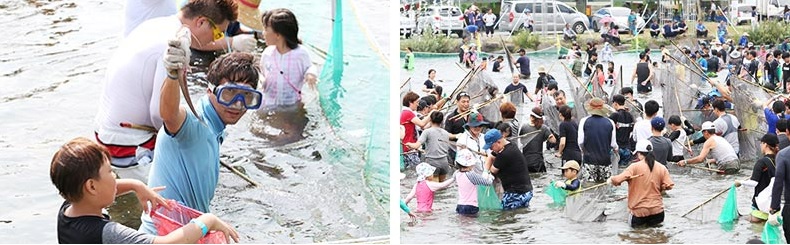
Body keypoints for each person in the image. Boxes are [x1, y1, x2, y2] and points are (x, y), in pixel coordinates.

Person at [94, 0, 238, 184]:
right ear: (201, 22)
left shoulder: (156, 23)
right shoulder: (174, 44)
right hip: (128, 146)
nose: (214, 40)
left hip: (104, 134)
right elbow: (160, 115)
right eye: (217, 32)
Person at [139, 44, 262, 233]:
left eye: (247, 96)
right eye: (229, 93)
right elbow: (169, 114)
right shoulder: (194, 122)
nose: (238, 104)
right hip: (163, 236)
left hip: (186, 232)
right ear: (210, 90)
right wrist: (172, 75)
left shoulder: (216, 128)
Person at [50, 138, 239, 244]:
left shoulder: (67, 209)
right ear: (91, 186)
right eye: (110, 172)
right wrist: (207, 221)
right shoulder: (109, 233)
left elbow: (98, 192)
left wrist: (135, 185)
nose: (115, 178)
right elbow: (168, 244)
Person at [608, 139, 674, 228]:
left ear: (639, 153)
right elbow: (669, 185)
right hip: (657, 211)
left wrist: (611, 179)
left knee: (636, 238)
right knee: (656, 238)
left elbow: (617, 180)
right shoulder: (661, 167)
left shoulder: (634, 167)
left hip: (639, 212)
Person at [484, 129, 534, 210]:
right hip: (527, 191)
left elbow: (493, 171)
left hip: (515, 194)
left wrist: (487, 172)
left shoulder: (504, 155)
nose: (491, 149)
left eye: (491, 147)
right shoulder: (511, 145)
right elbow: (491, 156)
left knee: (506, 218)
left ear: (498, 142)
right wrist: (485, 171)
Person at [739, 134, 779, 222]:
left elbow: (754, 183)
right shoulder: (778, 160)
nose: (760, 146)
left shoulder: (761, 162)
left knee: (755, 232)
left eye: (761, 143)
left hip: (760, 204)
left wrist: (740, 182)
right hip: (773, 204)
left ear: (765, 144)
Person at [579, 97, 618, 183]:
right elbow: (613, 144)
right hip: (605, 160)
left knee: (590, 186)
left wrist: (585, 151)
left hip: (589, 160)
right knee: (605, 185)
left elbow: (580, 142)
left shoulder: (584, 121)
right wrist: (616, 149)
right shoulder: (610, 122)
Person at [405, 111, 452, 181]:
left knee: (434, 187)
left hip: (432, 162)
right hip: (444, 162)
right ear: (442, 121)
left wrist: (409, 144)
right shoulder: (446, 133)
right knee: (442, 187)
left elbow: (416, 146)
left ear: (430, 120)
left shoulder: (427, 132)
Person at [453, 149, 494, 215]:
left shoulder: (456, 173)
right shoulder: (471, 175)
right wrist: (491, 177)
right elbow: (487, 183)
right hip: (471, 206)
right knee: (472, 223)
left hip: (460, 205)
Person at [519, 107, 557, 172]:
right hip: (538, 161)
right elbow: (553, 140)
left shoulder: (524, 127)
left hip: (526, 161)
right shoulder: (543, 128)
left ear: (532, 117)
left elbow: (521, 141)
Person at [401, 92, 433, 168]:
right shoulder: (407, 113)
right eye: (417, 102)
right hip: (408, 148)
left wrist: (432, 121)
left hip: (411, 147)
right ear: (410, 102)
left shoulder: (408, 113)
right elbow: (422, 123)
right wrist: (431, 113)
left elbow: (423, 127)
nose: (418, 104)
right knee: (417, 169)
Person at [610, 95, 635, 166]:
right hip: (627, 149)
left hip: (617, 149)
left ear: (615, 103)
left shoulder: (614, 116)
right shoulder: (630, 116)